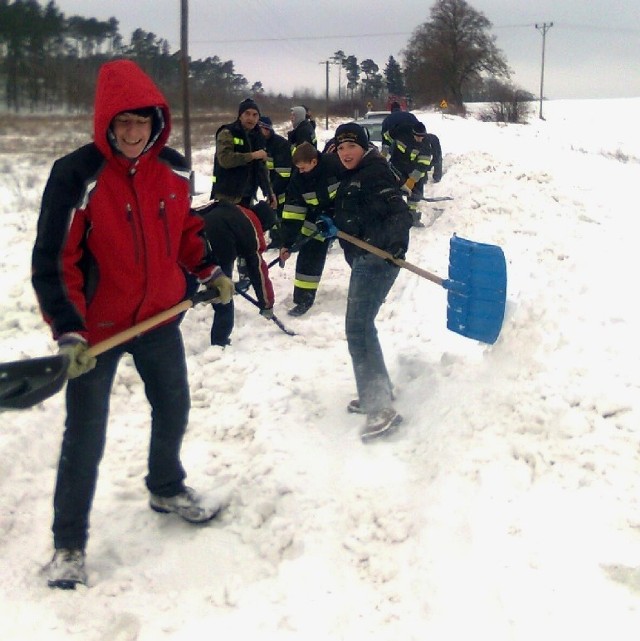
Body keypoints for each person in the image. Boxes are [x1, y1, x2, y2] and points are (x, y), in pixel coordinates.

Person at [31, 59, 234, 590]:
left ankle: (166, 485)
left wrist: (206, 269)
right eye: (122, 123)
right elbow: (55, 260)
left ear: (156, 123)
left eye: (142, 123)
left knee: (174, 405)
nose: (133, 133)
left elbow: (186, 230)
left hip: (159, 318)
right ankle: (68, 545)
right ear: (106, 124)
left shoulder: (175, 168)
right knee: (86, 436)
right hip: (97, 331)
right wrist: (69, 330)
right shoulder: (76, 175)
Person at [331, 122, 412, 441]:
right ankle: (376, 393)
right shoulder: (355, 175)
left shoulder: (374, 172)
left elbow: (400, 213)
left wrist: (393, 246)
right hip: (365, 257)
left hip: (377, 258)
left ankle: (380, 407)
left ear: (364, 147)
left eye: (351, 146)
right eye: (340, 148)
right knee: (363, 326)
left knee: (358, 327)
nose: (345, 153)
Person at [194, 200, 275, 346]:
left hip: (190, 241)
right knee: (224, 295)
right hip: (215, 253)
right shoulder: (253, 228)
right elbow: (258, 270)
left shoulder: (231, 208)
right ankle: (220, 341)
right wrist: (267, 303)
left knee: (184, 290)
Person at [279, 142, 345, 316]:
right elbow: (293, 212)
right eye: (297, 168)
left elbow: (352, 191)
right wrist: (288, 243)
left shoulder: (335, 165)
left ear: (314, 161)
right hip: (318, 218)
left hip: (346, 215)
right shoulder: (298, 179)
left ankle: (371, 289)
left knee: (358, 254)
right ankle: (303, 299)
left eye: (302, 167)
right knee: (309, 254)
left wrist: (338, 216)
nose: (299, 171)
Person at [210, 97, 277, 211]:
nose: (251, 118)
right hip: (227, 196)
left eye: (255, 115)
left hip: (248, 195)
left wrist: (269, 193)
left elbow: (261, 168)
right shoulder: (227, 132)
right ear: (240, 115)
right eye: (247, 114)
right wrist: (252, 156)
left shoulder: (258, 136)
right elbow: (225, 160)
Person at [387, 120, 436, 227]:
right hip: (398, 167)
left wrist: (412, 179)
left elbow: (423, 164)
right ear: (412, 133)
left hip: (414, 170)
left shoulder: (425, 144)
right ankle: (395, 215)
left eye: (422, 136)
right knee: (394, 191)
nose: (420, 139)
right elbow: (388, 138)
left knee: (415, 194)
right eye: (418, 136)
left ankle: (412, 216)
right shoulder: (402, 135)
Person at [258, 115, 292, 247]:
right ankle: (276, 237)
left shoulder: (280, 144)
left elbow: (284, 172)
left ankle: (282, 239)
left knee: (280, 210)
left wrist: (273, 191)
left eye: (262, 128)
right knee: (273, 209)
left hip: (283, 184)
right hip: (270, 184)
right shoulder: (259, 143)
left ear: (267, 129)